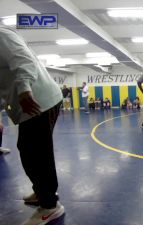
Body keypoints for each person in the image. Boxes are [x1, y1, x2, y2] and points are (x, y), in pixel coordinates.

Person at [0, 26, 65, 224]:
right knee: (29, 149)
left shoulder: (2, 34)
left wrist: (24, 89)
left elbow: (24, 59)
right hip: (29, 104)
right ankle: (41, 192)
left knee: (36, 152)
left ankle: (50, 206)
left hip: (39, 100)